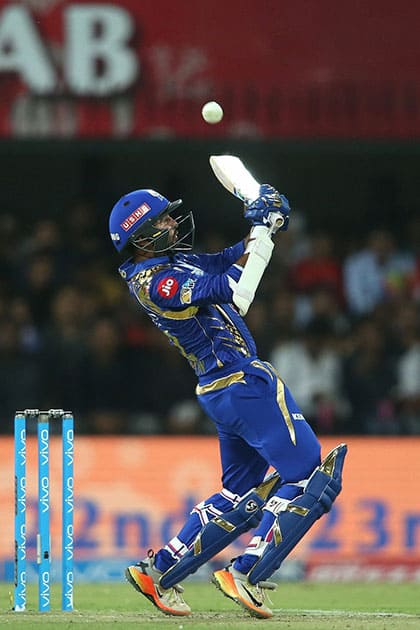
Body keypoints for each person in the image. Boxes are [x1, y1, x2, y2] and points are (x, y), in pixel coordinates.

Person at [108, 184, 347, 619]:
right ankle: (249, 572)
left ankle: (159, 571)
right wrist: (261, 227)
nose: (172, 224)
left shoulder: (171, 262)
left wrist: (266, 224)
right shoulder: (159, 282)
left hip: (221, 390)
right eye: (162, 221)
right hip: (242, 383)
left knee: (240, 493)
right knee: (313, 474)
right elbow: (236, 288)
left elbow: (230, 257)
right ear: (141, 237)